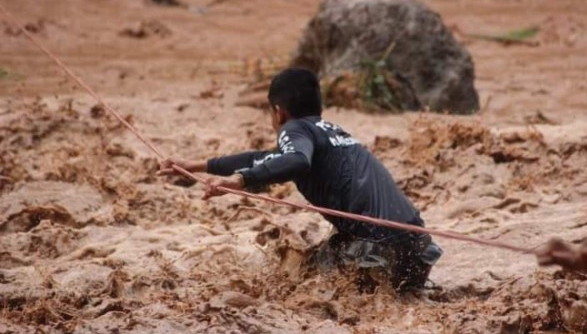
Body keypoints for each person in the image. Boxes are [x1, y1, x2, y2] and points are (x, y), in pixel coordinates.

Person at [158, 68, 442, 292]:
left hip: (380, 252)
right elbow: (265, 158)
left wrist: (241, 181)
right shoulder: (331, 132)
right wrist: (195, 166)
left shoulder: (292, 128)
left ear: (278, 112)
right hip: (419, 251)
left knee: (308, 280)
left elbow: (295, 161)